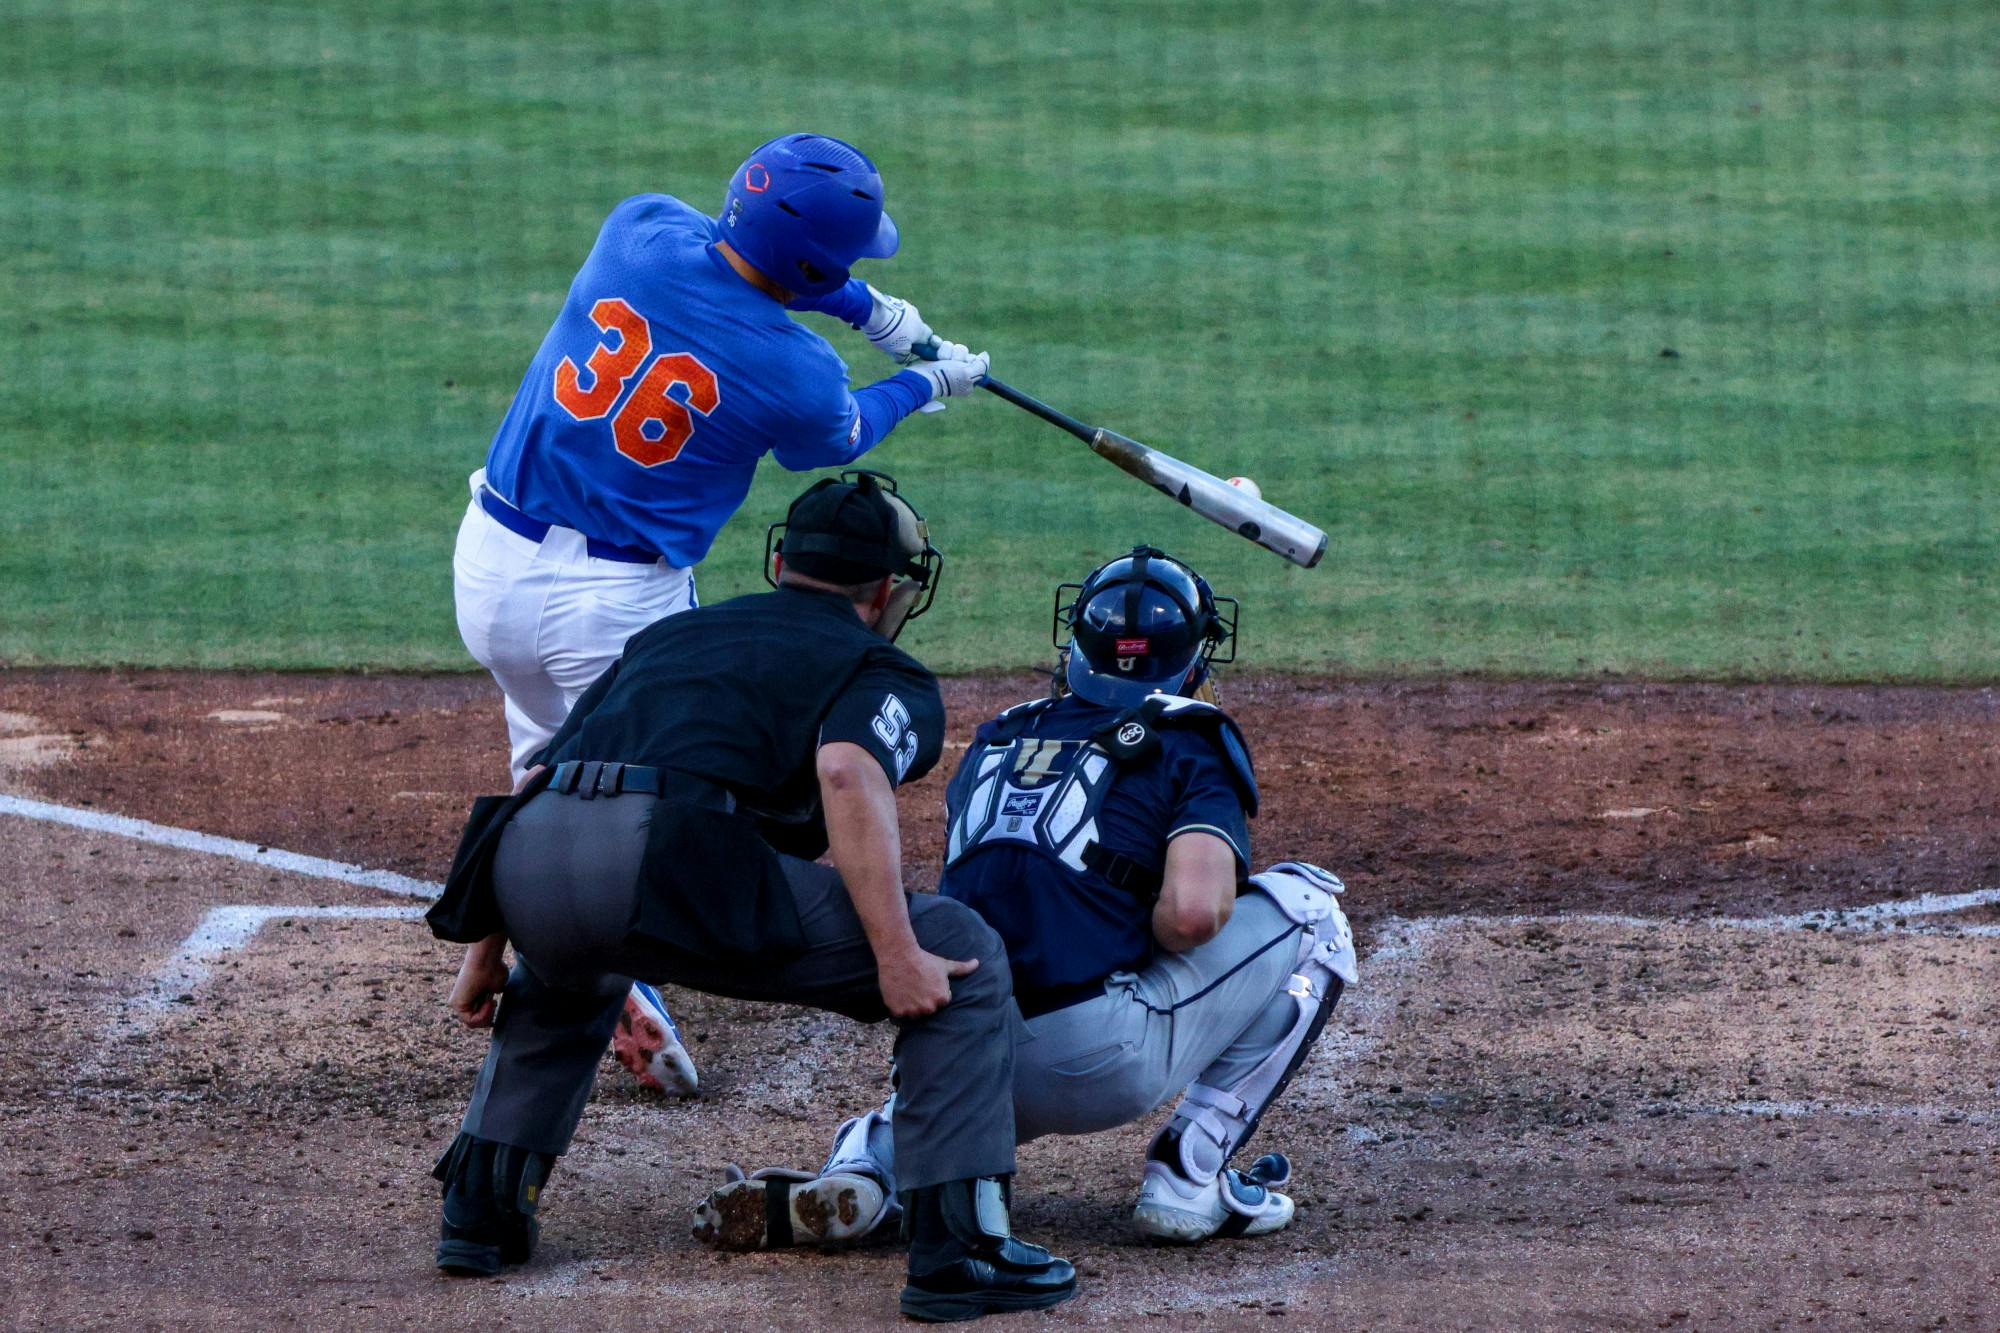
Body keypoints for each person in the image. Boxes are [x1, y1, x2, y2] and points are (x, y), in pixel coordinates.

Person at [424, 472, 1074, 1323]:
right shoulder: (881, 665)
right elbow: (846, 770)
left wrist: (489, 950)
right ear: (886, 590)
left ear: (779, 561)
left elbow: (540, 775)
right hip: (664, 861)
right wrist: (895, 955)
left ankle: (481, 1211)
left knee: (579, 955)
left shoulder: (670, 636)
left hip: (528, 859)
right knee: (962, 945)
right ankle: (962, 1250)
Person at [450, 132, 990, 1096]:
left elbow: (755, 264)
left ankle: (518, 939)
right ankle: (613, 963)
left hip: (489, 567)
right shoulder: (797, 371)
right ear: (819, 264)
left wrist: (871, 309)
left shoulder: (637, 235)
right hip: (614, 607)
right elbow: (849, 430)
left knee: (550, 764)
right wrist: (928, 375)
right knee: (653, 797)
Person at [690, 547, 1356, 1251]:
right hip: (1099, 1056)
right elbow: (1193, 914)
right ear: (1194, 658)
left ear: (1074, 645)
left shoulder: (996, 736)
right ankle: (1190, 1173)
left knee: (947, 1080)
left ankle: (869, 1160)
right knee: (1314, 911)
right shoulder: (1189, 736)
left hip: (959, 1051)